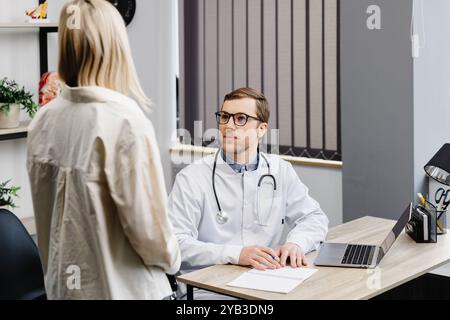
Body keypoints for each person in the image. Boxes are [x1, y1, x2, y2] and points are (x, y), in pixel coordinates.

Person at [27, 0, 180, 300]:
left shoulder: (42, 121)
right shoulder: (124, 120)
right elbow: (151, 236)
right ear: (115, 47)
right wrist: (174, 257)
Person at [168, 87, 329, 299]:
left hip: (266, 282)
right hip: (208, 290)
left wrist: (296, 243)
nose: (228, 125)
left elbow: (314, 218)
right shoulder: (192, 178)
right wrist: (236, 254)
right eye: (224, 117)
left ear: (261, 129)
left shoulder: (280, 170)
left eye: (241, 118)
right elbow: (175, 244)